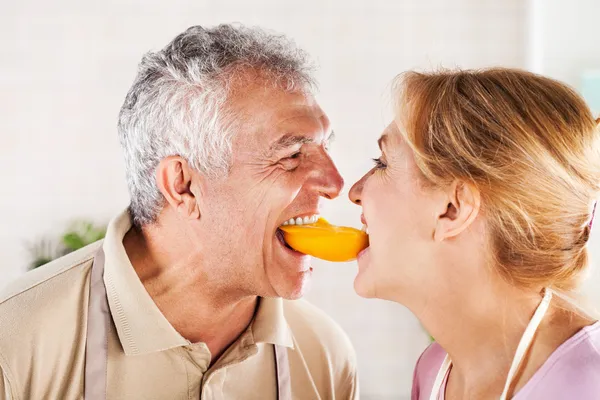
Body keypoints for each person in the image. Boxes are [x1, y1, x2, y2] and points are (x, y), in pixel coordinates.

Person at [0, 25, 358, 399]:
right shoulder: (16, 347)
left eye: (324, 149)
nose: (335, 183)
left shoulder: (324, 357)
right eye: (291, 155)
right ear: (184, 186)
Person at [349, 68, 600, 399]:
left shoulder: (588, 382)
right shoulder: (434, 370)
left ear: (453, 209)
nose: (354, 191)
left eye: (381, 163)